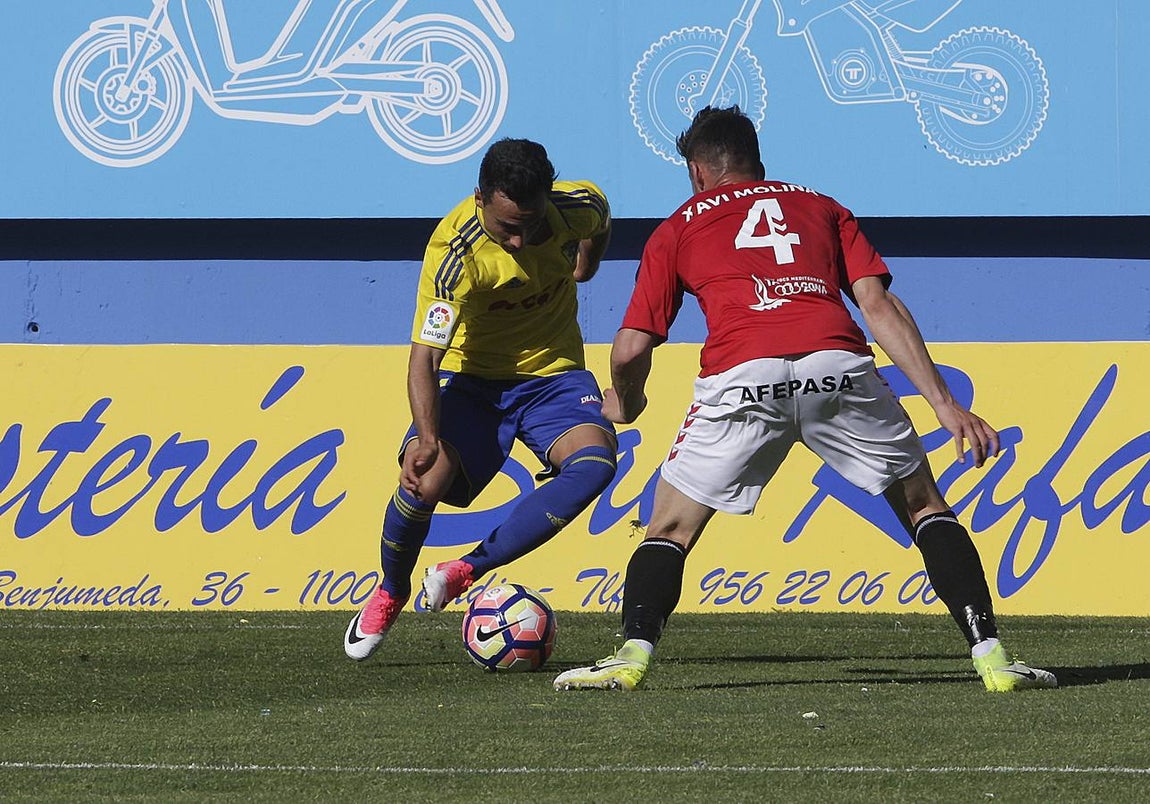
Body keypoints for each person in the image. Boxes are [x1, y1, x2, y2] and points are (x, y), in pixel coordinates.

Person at [553, 106, 1056, 693]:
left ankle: (630, 659)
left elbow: (631, 346)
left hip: (743, 377)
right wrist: (944, 405)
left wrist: (627, 402)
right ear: (757, 162)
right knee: (925, 507)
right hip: (835, 365)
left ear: (696, 171)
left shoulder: (679, 226)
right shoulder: (822, 206)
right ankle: (993, 659)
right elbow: (878, 307)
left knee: (668, 528)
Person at [345, 138, 617, 661]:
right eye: (506, 227)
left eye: (529, 225)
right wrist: (427, 438)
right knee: (423, 481)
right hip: (475, 383)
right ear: (479, 198)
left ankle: (466, 569)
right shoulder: (455, 253)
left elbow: (601, 220)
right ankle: (392, 589)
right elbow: (425, 358)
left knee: (596, 464)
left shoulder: (576, 206)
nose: (518, 240)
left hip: (554, 377)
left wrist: (587, 262)